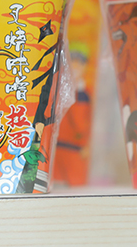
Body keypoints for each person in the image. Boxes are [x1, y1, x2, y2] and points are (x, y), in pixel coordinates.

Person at [54, 43, 92, 186]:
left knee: (75, 187)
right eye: (72, 63)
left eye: (79, 64)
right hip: (58, 148)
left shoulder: (84, 94)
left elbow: (81, 124)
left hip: (74, 150)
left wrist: (84, 144)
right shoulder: (60, 90)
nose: (75, 67)